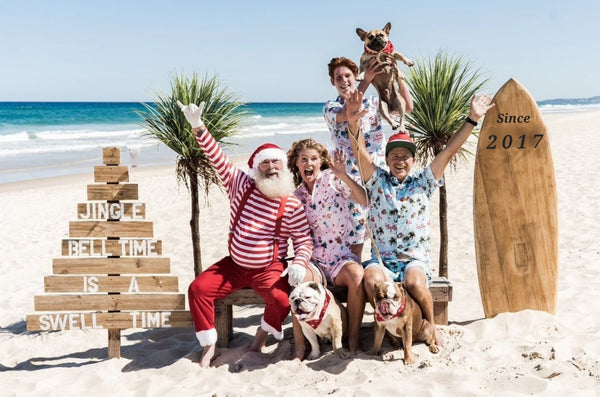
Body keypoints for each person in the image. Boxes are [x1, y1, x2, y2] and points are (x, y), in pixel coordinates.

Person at [343, 89, 494, 345]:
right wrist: (353, 121)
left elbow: (448, 152)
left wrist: (472, 119)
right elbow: (360, 153)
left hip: (414, 258)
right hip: (384, 259)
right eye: (394, 156)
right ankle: (389, 324)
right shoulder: (377, 179)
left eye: (405, 156)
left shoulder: (423, 181)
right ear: (387, 159)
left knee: (414, 283)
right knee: (371, 279)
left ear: (413, 159)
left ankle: (431, 329)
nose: (400, 160)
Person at [178, 101, 313, 368]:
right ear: (256, 167)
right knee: (198, 289)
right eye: (265, 163)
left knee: (281, 299)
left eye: (276, 161)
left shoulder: (292, 202)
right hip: (234, 266)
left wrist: (299, 262)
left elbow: (303, 239)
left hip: (268, 268)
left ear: (283, 165)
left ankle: (260, 337)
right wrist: (198, 126)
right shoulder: (240, 184)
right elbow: (216, 157)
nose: (271, 166)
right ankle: (209, 344)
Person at [323, 56, 414, 261]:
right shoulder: (330, 107)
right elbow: (350, 112)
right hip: (350, 177)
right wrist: (366, 81)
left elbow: (407, 107)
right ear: (332, 82)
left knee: (383, 226)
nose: (344, 80)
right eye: (338, 78)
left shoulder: (374, 102)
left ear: (355, 76)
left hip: (376, 173)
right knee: (356, 234)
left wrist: (398, 76)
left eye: (348, 76)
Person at [287, 138, 368, 356]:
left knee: (357, 275)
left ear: (321, 162)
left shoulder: (334, 180)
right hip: (315, 262)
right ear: (296, 164)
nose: (308, 163)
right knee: (298, 280)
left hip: (341, 259)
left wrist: (343, 175)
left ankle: (352, 338)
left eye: (314, 158)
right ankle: (300, 347)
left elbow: (364, 200)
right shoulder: (296, 196)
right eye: (303, 159)